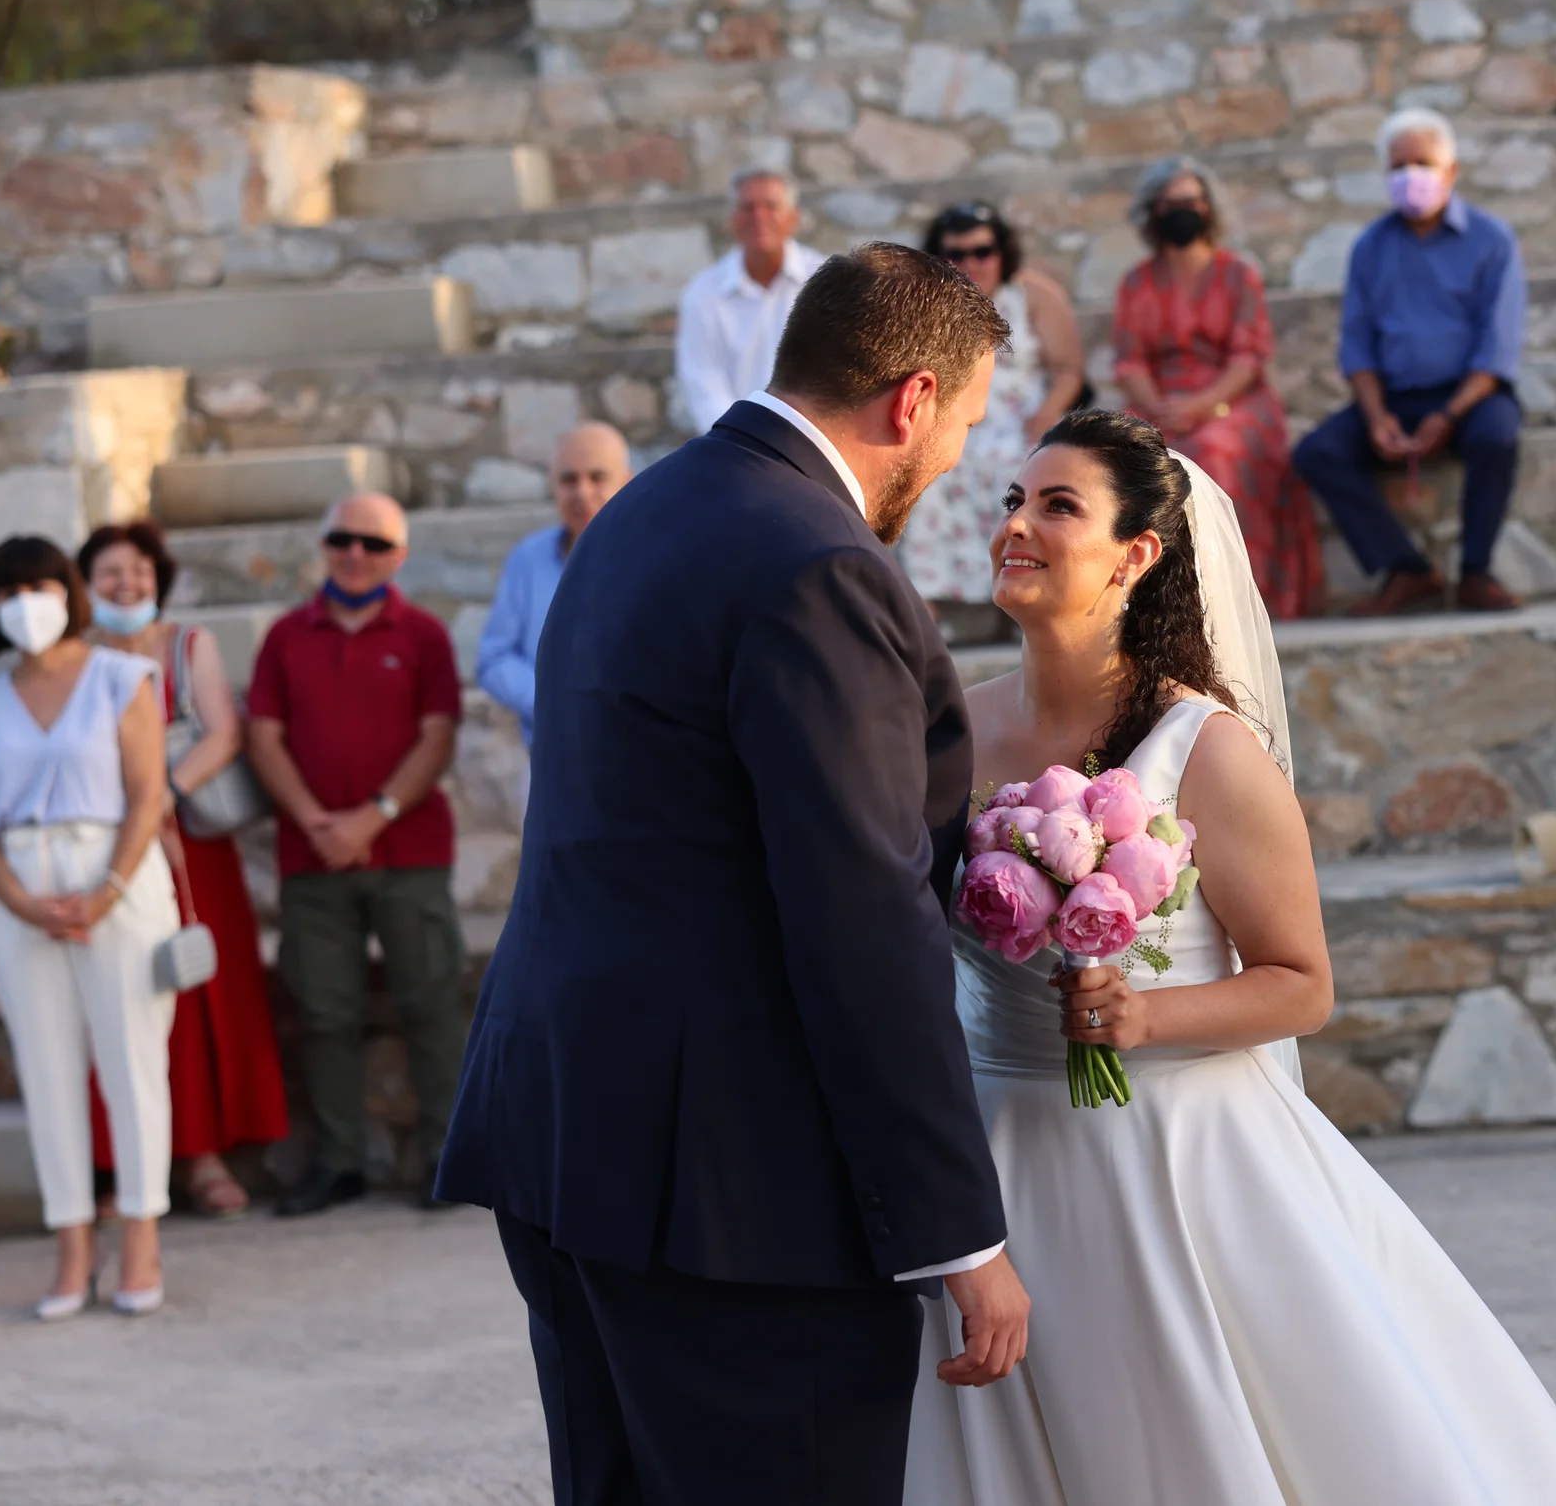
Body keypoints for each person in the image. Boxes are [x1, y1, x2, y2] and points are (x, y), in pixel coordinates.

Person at [903, 410, 1556, 1504]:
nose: (1018, 526)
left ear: (1137, 555)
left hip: (1176, 1161)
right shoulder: (947, 729)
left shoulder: (1209, 750)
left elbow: (1301, 982)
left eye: (1058, 506)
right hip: (999, 1161)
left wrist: (1142, 1019)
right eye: (1011, 501)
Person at [437, 243, 1029, 1506]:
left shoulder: (641, 510)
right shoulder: (818, 564)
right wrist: (956, 1233)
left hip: (564, 1130)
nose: (958, 462)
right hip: (728, 1192)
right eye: (968, 425)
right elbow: (861, 913)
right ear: (913, 400)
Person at [0, 537, 180, 1318]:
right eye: (8, 591)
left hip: (114, 878)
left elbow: (148, 792)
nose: (26, 603)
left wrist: (108, 890)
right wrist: (16, 900)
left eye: (40, 585)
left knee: (132, 1061)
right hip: (22, 892)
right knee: (45, 1073)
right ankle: (72, 1244)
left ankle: (141, 1234)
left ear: (69, 592)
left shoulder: (122, 678)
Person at [245, 493, 468, 1216]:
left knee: (430, 1003)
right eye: (343, 539)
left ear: (398, 556)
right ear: (323, 545)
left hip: (409, 852)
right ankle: (339, 1163)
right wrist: (316, 820)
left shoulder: (426, 634)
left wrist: (372, 819)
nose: (355, 554)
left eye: (374, 544)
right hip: (314, 861)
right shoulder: (284, 637)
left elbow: (437, 735)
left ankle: (451, 1155)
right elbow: (263, 736)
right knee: (325, 1012)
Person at [77, 522, 290, 1221]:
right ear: (87, 584)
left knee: (200, 995)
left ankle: (204, 1156)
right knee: (115, 994)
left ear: (156, 577)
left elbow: (224, 732)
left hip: (189, 844)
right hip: (109, 848)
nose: (125, 584)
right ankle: (117, 1166)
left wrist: (160, 799)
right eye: (109, 573)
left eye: (137, 571)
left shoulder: (187, 647)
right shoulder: (75, 660)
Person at [1292, 106, 1529, 617]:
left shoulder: (1493, 241)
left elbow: (1498, 349)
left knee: (1498, 436)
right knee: (1318, 452)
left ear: (1452, 172)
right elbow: (1357, 346)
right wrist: (1377, 418)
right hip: (1395, 398)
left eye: (1422, 163)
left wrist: (1448, 416)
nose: (1410, 177)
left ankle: (1476, 572)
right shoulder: (1371, 247)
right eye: (1398, 167)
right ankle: (1406, 569)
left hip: (1469, 396)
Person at [1111, 157, 1326, 621]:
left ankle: (1230, 599)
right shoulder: (1135, 283)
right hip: (1159, 401)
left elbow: (1248, 357)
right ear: (1152, 212)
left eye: (1190, 201)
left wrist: (1203, 406)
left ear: (1209, 207)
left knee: (1214, 451)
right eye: (1169, 204)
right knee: (1136, 458)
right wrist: (1157, 407)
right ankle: (1157, 606)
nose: (1180, 211)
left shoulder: (1238, 275)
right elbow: (1129, 360)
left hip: (1232, 400)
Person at [898, 201, 1085, 606]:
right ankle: (928, 607)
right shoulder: (926, 303)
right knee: (925, 477)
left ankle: (1020, 597)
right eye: (957, 254)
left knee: (1021, 473)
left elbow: (1069, 368)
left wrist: (1049, 413)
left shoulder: (1033, 295)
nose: (972, 263)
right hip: (954, 424)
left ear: (1002, 251)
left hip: (1022, 423)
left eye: (982, 252)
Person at [477, 422, 634, 750]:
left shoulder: (658, 560)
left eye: (597, 477)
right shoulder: (527, 558)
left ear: (627, 481)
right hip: (549, 759)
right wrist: (558, 705)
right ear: (553, 485)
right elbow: (494, 656)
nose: (582, 493)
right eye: (569, 479)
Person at [674, 168, 829, 434]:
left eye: (771, 206)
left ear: (793, 218)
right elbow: (702, 384)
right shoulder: (703, 294)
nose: (759, 216)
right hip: (734, 448)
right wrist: (741, 441)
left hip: (815, 439)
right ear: (733, 220)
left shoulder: (825, 281)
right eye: (748, 207)